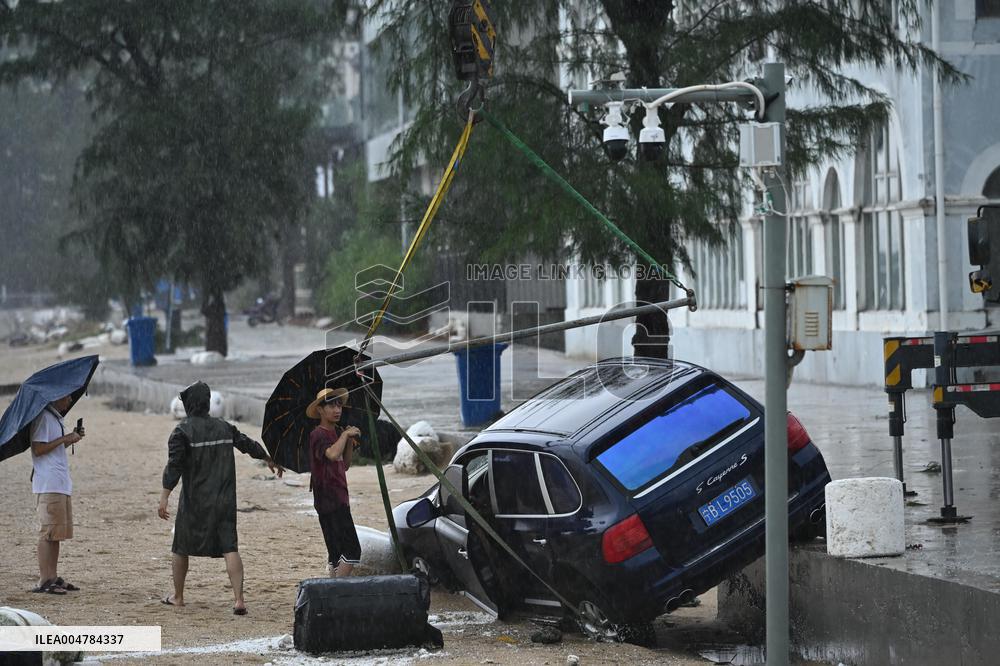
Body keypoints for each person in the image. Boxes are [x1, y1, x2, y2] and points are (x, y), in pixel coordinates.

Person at [157, 381, 282, 615]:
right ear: (206, 404)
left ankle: (178, 596)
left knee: (180, 547)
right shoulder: (224, 427)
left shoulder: (181, 432)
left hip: (194, 501)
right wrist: (268, 458)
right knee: (230, 547)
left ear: (188, 405)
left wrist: (164, 496)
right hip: (224, 499)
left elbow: (174, 466)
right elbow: (247, 444)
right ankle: (239, 600)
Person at [30, 394, 84, 595]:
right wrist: (65, 438)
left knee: (56, 534)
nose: (69, 400)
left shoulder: (54, 417)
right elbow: (38, 448)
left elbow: (51, 447)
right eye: (67, 396)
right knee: (48, 532)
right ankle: (45, 580)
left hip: (59, 482)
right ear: (56, 396)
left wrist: (70, 438)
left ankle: (52, 577)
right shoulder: (43, 417)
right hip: (49, 483)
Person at [306, 387, 362, 577]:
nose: (337, 410)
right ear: (320, 410)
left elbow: (344, 464)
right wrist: (345, 436)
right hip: (329, 499)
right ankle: (339, 588)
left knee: (336, 553)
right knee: (353, 550)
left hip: (338, 496)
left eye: (339, 405)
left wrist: (347, 441)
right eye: (331, 405)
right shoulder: (317, 435)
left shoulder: (337, 432)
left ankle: (332, 589)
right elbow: (331, 454)